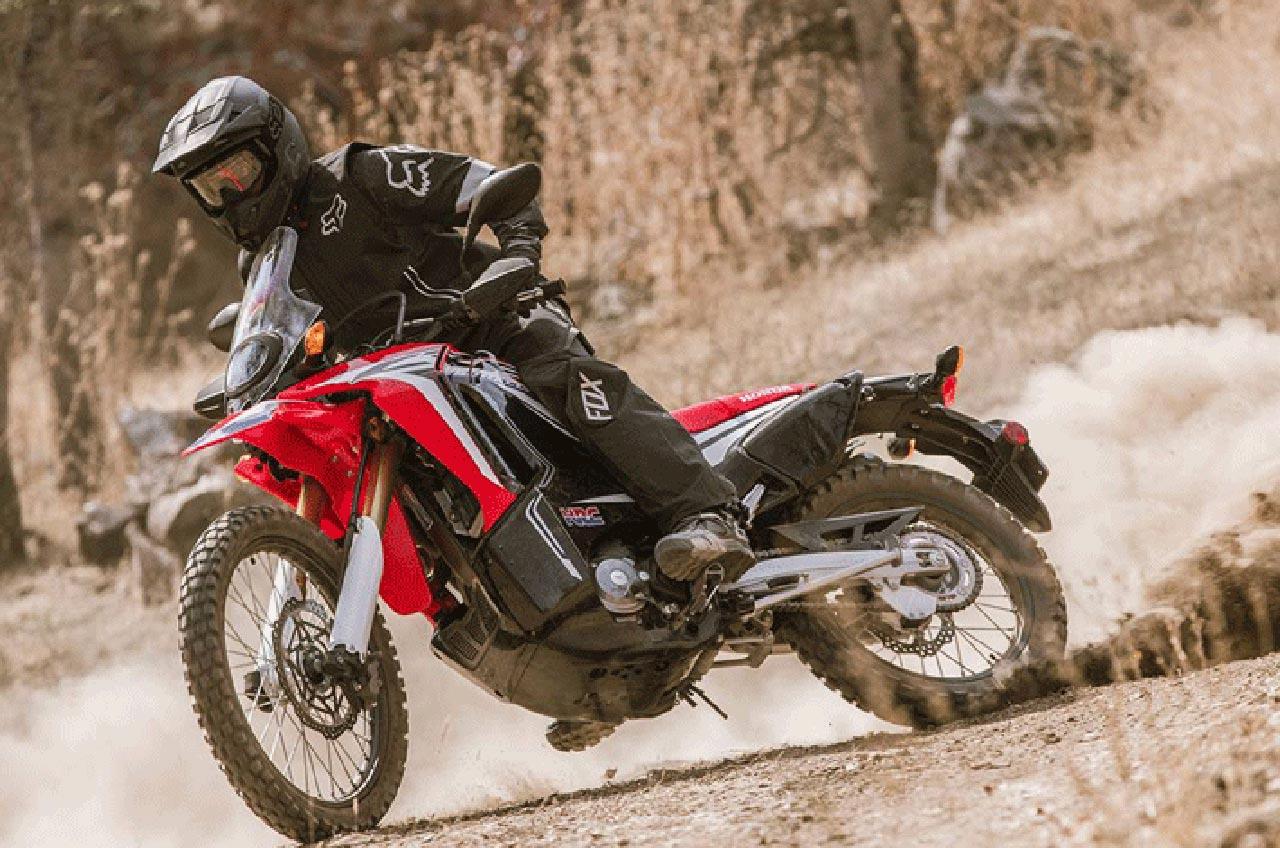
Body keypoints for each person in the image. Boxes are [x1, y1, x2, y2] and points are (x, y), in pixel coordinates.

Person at [152, 75, 752, 582]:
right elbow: (290, 341)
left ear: (276, 146)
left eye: (237, 173)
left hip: (489, 325)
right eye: (210, 188)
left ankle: (707, 514)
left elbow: (486, 185)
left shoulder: (362, 176)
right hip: (397, 387)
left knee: (566, 377)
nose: (229, 195)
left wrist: (518, 252)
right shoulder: (262, 266)